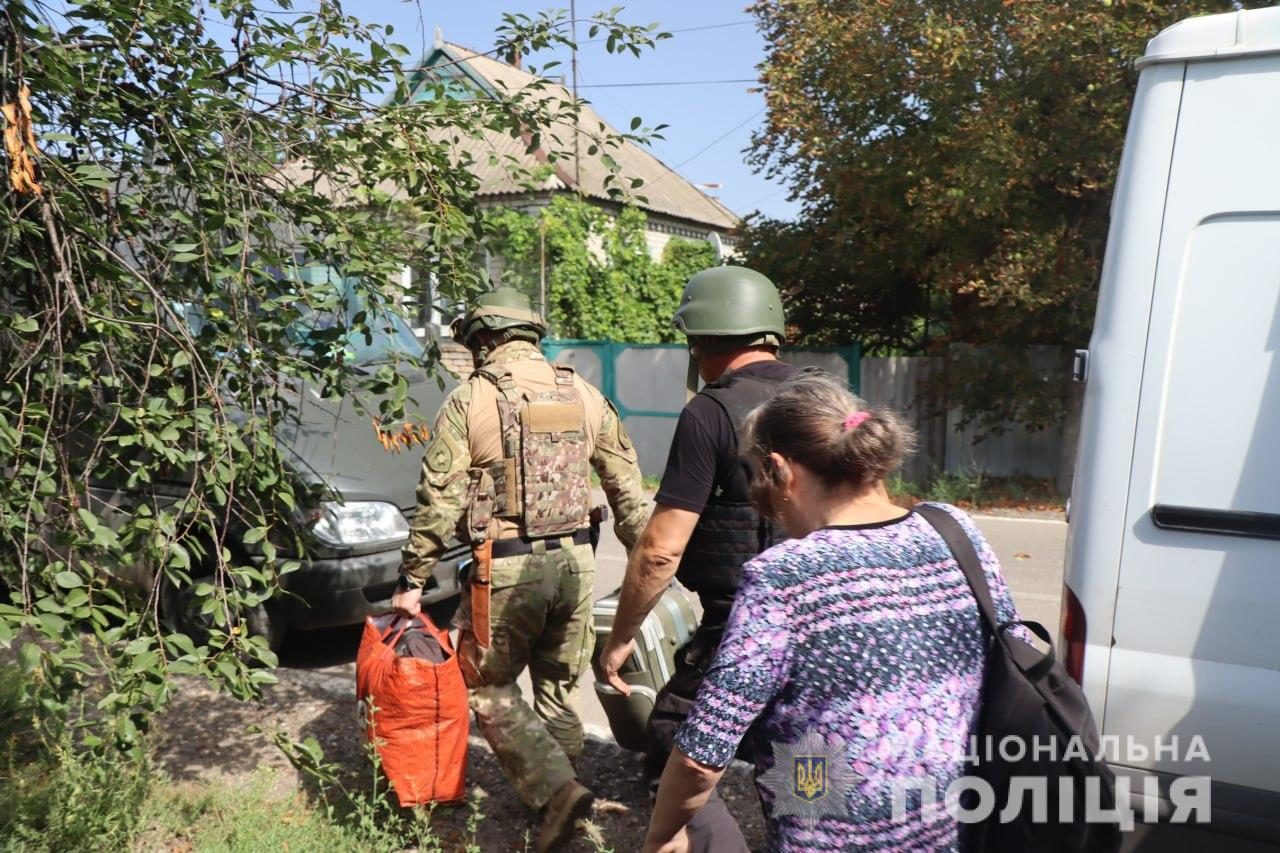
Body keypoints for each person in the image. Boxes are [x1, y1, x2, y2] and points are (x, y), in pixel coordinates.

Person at [641, 370, 1028, 853]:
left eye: (759, 481)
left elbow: (702, 754)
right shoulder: (954, 529)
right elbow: (1012, 654)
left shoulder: (784, 574)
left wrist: (663, 834)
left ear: (781, 470)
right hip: (963, 824)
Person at [392, 287, 650, 852]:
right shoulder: (584, 392)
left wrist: (413, 582)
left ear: (483, 339)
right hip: (578, 562)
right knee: (559, 689)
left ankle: (556, 795)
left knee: (487, 687)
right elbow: (629, 492)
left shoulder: (469, 399)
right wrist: (649, 566)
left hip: (505, 570)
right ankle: (567, 804)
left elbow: (438, 499)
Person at [597, 265, 794, 849]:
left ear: (703, 341)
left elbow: (660, 549)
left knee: (675, 745)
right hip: (827, 618)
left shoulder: (710, 412)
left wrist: (621, 637)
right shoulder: (828, 401)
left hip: (740, 623)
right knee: (802, 762)